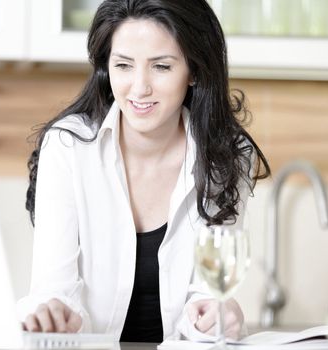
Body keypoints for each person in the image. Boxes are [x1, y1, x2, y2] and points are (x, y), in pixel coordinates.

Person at [17, 0, 270, 343]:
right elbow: (54, 290)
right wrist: (56, 316)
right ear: (107, 68)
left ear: (194, 70)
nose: (139, 88)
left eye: (161, 67)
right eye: (123, 65)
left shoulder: (226, 155)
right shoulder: (68, 147)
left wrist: (216, 314)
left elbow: (206, 293)